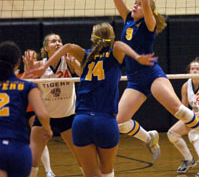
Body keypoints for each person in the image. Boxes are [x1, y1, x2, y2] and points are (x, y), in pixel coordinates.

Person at [30, 22, 156, 177]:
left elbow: (68, 46)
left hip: (81, 121)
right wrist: (137, 57)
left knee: (91, 173)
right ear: (111, 37)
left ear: (92, 38)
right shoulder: (114, 53)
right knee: (107, 171)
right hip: (105, 120)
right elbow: (120, 45)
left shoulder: (85, 55)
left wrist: (45, 65)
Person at [110, 0, 199, 161]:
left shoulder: (148, 25)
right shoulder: (127, 20)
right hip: (134, 79)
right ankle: (149, 137)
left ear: (147, 10)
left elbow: (147, 7)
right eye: (135, 3)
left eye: (139, 5)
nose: (135, 6)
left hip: (152, 75)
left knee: (179, 110)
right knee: (120, 123)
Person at [25, 34, 83, 177]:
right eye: (53, 41)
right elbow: (25, 82)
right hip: (45, 118)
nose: (57, 43)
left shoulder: (69, 62)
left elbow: (83, 74)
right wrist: (28, 67)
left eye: (59, 41)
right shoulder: (40, 65)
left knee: (81, 157)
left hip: (68, 116)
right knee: (32, 159)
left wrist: (75, 63)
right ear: (46, 48)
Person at [0, 41, 52, 177]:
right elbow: (42, 114)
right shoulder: (26, 86)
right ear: (18, 62)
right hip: (18, 147)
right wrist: (47, 128)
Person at [20, 50, 55, 177]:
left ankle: (48, 170)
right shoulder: (20, 75)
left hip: (33, 109)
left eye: (34, 56)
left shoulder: (40, 71)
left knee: (39, 140)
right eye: (28, 55)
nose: (31, 58)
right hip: (20, 110)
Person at [167, 57, 199, 173]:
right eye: (192, 69)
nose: (195, 71)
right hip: (195, 117)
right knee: (172, 134)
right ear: (189, 71)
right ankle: (189, 160)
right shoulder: (186, 86)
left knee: (194, 133)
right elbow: (184, 108)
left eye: (197, 69)